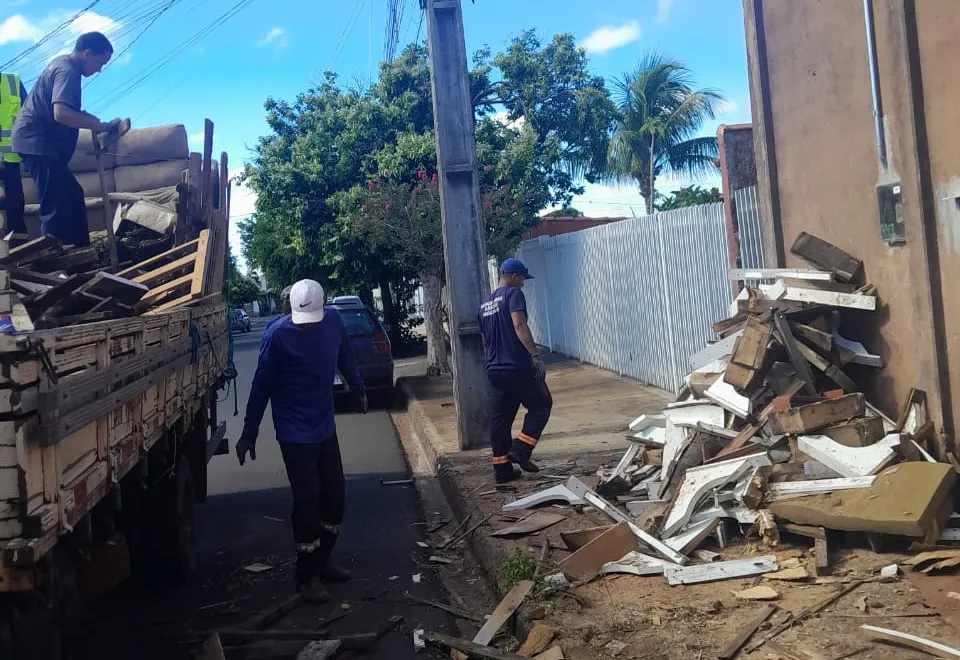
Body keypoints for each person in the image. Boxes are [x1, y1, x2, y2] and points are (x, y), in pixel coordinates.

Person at [236, 279, 367, 603]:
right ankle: (306, 575)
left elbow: (346, 359)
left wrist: (359, 389)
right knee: (308, 500)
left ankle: (323, 560)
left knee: (335, 498)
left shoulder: (333, 322)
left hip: (324, 427)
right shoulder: (277, 334)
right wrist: (249, 432)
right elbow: (261, 385)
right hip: (294, 433)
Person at [11, 32, 122, 247]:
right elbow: (61, 113)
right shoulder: (67, 71)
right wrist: (100, 126)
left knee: (72, 194)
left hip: (40, 143)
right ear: (86, 53)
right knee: (57, 201)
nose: (99, 69)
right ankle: (54, 265)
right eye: (99, 62)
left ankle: (81, 254)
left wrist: (88, 119)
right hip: (35, 142)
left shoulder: (62, 65)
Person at [478, 258, 553, 484]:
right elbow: (519, 325)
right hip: (517, 366)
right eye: (522, 279)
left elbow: (486, 341)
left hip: (495, 369)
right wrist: (535, 356)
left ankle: (502, 469)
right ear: (513, 276)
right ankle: (520, 450)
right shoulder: (513, 295)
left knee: (500, 419)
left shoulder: (484, 306)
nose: (522, 284)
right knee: (541, 405)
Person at [0, 71, 28, 235]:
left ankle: (18, 245)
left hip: (11, 156)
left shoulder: (13, 81)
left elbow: (29, 114)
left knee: (15, 201)